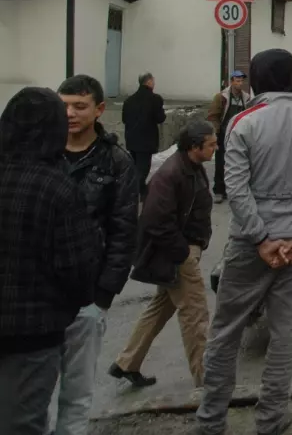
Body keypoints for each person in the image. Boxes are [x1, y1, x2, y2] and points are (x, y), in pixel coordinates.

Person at [196, 49, 292, 435]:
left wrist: (260, 238)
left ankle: (210, 421)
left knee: (226, 331)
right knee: (282, 332)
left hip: (249, 245)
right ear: (290, 79)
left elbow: (236, 189)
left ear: (256, 79)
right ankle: (272, 418)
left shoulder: (243, 123)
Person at [0, 88, 99, 435]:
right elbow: (77, 269)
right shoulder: (57, 188)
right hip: (34, 333)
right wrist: (66, 308)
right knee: (22, 423)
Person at [55, 74, 140, 435]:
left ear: (99, 110)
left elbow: (124, 232)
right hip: (39, 293)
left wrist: (104, 295)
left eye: (79, 106)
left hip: (88, 295)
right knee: (33, 391)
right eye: (63, 107)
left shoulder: (116, 163)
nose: (70, 114)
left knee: (76, 395)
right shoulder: (41, 154)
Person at [109, 121, 217, 390]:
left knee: (161, 307)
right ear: (195, 147)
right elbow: (156, 219)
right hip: (177, 255)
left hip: (183, 250)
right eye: (211, 144)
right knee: (195, 315)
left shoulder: (191, 167)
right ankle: (207, 384)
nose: (216, 147)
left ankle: (126, 363)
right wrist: (183, 254)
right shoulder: (171, 174)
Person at [207, 71, 252, 205]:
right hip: (223, 134)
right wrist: (215, 132)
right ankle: (219, 191)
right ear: (231, 81)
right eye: (237, 80)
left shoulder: (246, 98)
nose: (240, 83)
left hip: (239, 135)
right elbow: (213, 116)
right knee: (221, 163)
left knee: (238, 163)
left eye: (241, 81)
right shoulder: (221, 97)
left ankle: (234, 190)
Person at [121, 72, 166, 203]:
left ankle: (140, 190)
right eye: (153, 80)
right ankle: (136, 191)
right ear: (149, 82)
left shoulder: (129, 100)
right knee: (143, 169)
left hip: (131, 138)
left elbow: (124, 119)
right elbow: (160, 118)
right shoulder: (155, 99)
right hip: (146, 139)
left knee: (135, 166)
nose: (154, 83)